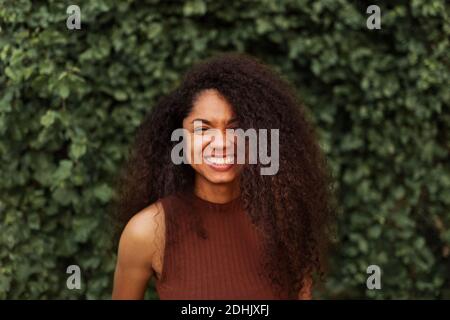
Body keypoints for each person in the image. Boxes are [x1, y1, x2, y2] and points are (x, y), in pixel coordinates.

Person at [112, 53, 335, 300]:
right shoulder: (147, 232)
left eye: (236, 128)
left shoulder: (284, 219)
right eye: (203, 128)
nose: (222, 143)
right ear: (179, 137)